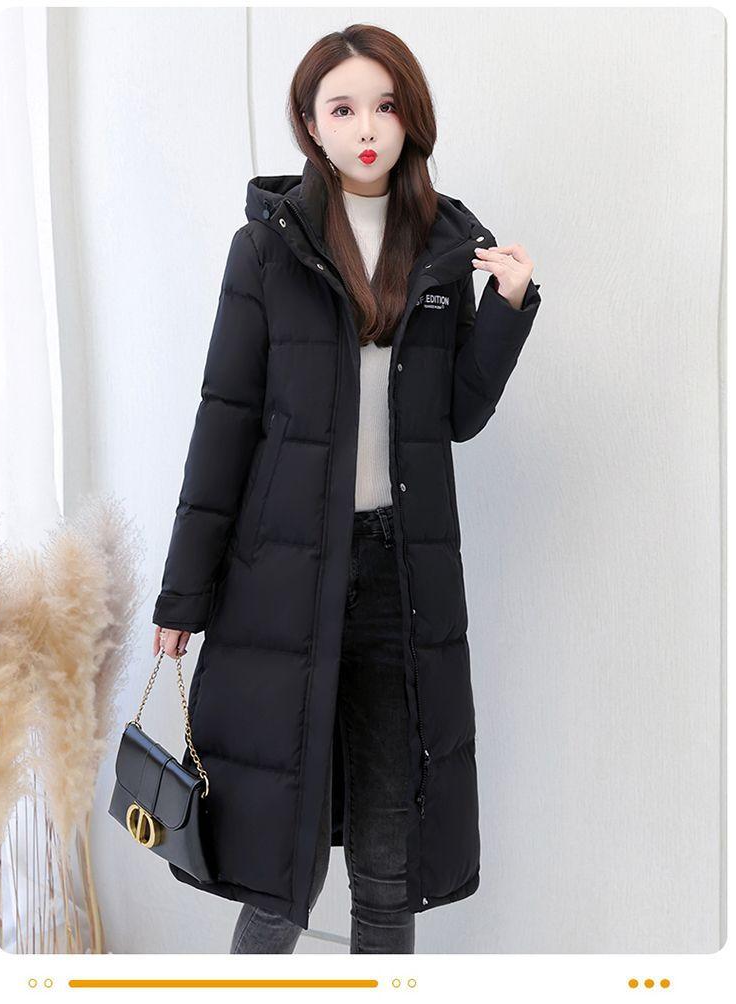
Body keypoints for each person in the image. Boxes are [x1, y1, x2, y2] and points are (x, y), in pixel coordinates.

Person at [153, 23, 541, 954]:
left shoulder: (444, 250)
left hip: (398, 581)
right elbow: (224, 426)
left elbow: (457, 416)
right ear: (311, 124)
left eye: (385, 105)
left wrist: (507, 309)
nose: (367, 127)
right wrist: (183, 596)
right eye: (343, 108)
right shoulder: (266, 250)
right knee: (275, 873)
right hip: (283, 578)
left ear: (410, 118)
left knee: (387, 868)